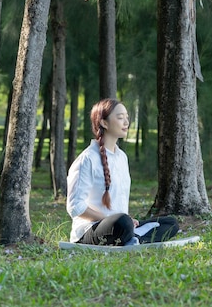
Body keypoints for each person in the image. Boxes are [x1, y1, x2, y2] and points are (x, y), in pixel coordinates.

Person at [66, 98, 179, 246]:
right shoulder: (87, 159)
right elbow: (75, 207)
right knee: (123, 222)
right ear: (104, 123)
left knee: (170, 223)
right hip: (90, 230)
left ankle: (133, 239)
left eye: (127, 117)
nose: (126, 122)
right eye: (120, 118)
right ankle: (132, 236)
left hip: (119, 225)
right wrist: (109, 217)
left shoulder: (121, 157)